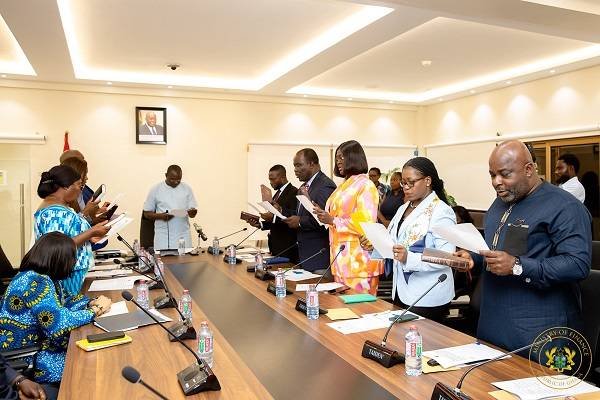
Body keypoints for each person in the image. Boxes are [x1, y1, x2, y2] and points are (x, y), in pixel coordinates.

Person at [456, 140, 591, 352]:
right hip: (493, 323)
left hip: (537, 330)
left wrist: (518, 266)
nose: (496, 182)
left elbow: (577, 264)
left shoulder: (564, 206)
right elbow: (503, 248)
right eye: (492, 175)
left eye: (505, 174)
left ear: (529, 169)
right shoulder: (501, 201)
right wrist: (475, 257)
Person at [0, 232, 111, 392]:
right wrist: (95, 310)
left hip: (41, 346)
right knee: (91, 368)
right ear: (60, 260)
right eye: (72, 259)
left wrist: (89, 302)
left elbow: (64, 303)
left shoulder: (41, 277)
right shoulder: (36, 282)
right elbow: (59, 324)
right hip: (31, 356)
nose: (73, 264)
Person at [363, 157, 456, 321]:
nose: (405, 187)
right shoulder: (403, 208)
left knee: (419, 344)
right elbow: (394, 244)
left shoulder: (441, 211)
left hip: (427, 295)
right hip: (402, 290)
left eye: (410, 182)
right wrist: (374, 244)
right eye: (403, 183)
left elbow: (447, 256)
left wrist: (409, 258)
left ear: (427, 180)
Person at [313, 141, 381, 294]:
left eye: (341, 157)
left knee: (361, 312)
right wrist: (322, 214)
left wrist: (333, 220)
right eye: (337, 158)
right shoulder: (344, 184)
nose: (338, 161)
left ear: (354, 158)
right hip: (340, 259)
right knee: (343, 311)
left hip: (358, 261)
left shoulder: (365, 184)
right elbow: (335, 215)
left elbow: (365, 222)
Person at [34, 165, 109, 296]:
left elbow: (68, 233)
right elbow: (58, 247)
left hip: (72, 272)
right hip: (66, 275)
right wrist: (91, 232)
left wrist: (90, 236)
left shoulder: (59, 207)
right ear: (66, 186)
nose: (80, 191)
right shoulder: (54, 212)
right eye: (79, 185)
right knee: (72, 310)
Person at [283, 149, 336, 272]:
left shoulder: (325, 185)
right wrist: (281, 211)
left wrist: (300, 222)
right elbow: (300, 214)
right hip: (304, 255)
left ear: (312, 164)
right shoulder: (303, 187)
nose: (295, 170)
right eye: (294, 166)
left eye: (299, 165)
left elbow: (324, 222)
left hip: (319, 256)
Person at [247, 165, 298, 262]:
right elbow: (275, 220)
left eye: (273, 179)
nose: (270, 183)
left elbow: (292, 219)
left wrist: (273, 218)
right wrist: (260, 224)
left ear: (282, 177)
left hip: (287, 247)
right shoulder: (277, 194)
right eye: (269, 179)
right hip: (275, 247)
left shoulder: (294, 192)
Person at [143, 165, 198, 250]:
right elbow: (146, 214)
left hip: (183, 235)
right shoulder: (156, 189)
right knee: (164, 261)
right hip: (163, 236)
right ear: (166, 175)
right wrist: (161, 216)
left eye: (178, 179)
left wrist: (192, 212)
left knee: (185, 261)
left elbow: (192, 213)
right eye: (172, 179)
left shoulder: (187, 189)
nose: (176, 182)